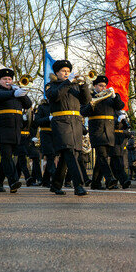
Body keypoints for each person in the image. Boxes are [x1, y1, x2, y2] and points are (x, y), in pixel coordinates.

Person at [45, 60, 92, 196]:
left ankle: (56, 184)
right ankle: (78, 185)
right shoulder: (51, 86)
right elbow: (55, 96)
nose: (66, 73)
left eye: (68, 71)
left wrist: (83, 85)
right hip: (61, 122)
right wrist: (67, 82)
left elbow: (86, 101)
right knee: (70, 151)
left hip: (75, 122)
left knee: (70, 154)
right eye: (63, 71)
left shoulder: (75, 86)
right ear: (57, 73)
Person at [0, 68, 32, 193]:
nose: (7, 81)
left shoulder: (16, 92)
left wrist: (20, 92)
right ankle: (13, 181)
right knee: (7, 155)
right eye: (4, 79)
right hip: (1, 129)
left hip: (15, 130)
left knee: (6, 157)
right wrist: (13, 93)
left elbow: (28, 104)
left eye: (9, 79)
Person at [81, 75, 125, 190]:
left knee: (102, 158)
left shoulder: (110, 97)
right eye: (100, 85)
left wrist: (115, 96)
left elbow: (120, 106)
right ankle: (110, 179)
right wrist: (92, 104)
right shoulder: (89, 96)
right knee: (102, 156)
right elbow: (83, 112)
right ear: (95, 86)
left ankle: (95, 183)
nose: (103, 88)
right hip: (97, 130)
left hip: (109, 131)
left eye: (105, 86)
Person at [34, 97, 56, 189]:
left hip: (55, 134)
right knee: (50, 155)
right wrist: (48, 118)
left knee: (52, 156)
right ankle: (55, 179)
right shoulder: (42, 107)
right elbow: (37, 121)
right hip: (45, 133)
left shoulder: (57, 105)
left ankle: (45, 181)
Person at [110, 112, 132, 188]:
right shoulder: (111, 113)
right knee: (117, 163)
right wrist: (118, 121)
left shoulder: (121, 113)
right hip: (113, 140)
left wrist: (124, 121)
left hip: (120, 143)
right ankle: (123, 180)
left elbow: (127, 129)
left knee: (114, 164)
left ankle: (113, 182)